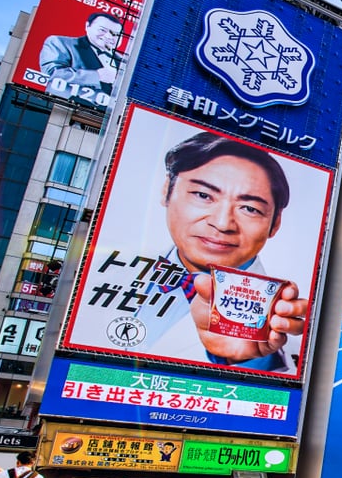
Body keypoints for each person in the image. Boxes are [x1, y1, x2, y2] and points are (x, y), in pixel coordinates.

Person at [106, 132, 310, 371]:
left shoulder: (288, 317)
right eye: (203, 195)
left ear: (275, 223)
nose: (223, 223)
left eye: (249, 208)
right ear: (166, 190)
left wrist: (242, 361)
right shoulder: (107, 268)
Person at [38, 11, 122, 95]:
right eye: (102, 30)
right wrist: (96, 76)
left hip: (105, 107)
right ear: (87, 26)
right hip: (62, 102)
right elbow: (51, 73)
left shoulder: (123, 61)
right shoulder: (60, 42)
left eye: (115, 34)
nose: (108, 36)